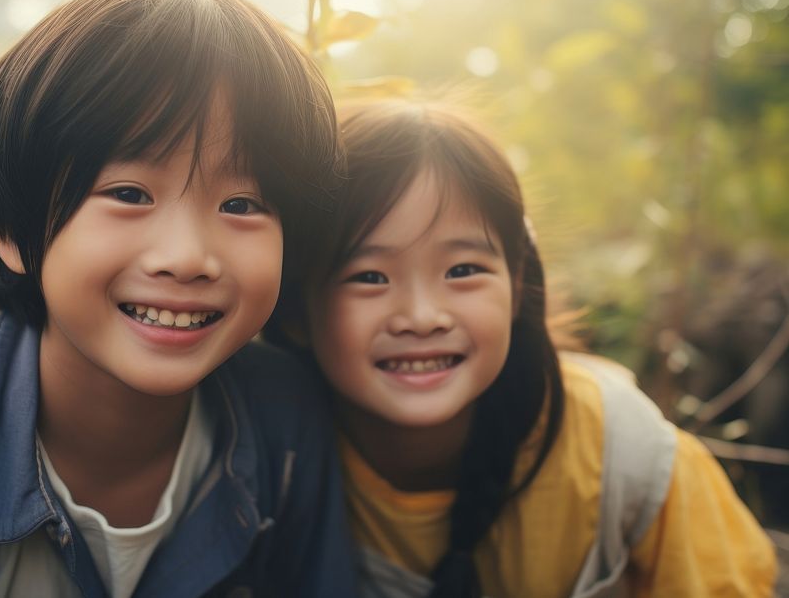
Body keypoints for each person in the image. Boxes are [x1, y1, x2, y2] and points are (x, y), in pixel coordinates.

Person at [0, 0, 357, 597]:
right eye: (128, 193)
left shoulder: (283, 421)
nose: (189, 257)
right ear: (11, 225)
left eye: (243, 204)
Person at [269, 98, 776, 597]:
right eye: (370, 276)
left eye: (463, 270)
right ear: (295, 309)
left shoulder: (617, 449)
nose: (422, 317)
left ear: (517, 284)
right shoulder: (265, 453)